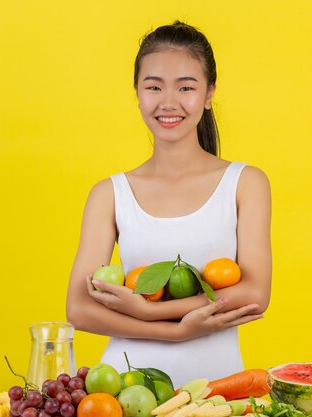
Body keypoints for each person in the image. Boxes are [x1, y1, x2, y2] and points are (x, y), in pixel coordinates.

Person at [65, 21, 271, 385]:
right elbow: (79, 309)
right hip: (123, 392)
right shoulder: (109, 194)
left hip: (219, 393)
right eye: (154, 86)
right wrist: (175, 331)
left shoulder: (245, 183)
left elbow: (255, 292)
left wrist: (145, 309)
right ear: (138, 94)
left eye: (186, 87)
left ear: (209, 94)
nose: (168, 102)